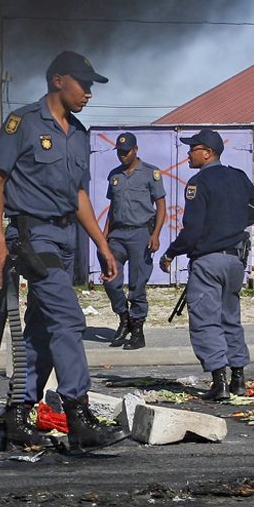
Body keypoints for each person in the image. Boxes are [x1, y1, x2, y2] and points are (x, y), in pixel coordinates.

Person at [0, 51, 125, 448]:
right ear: (58, 80)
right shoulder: (24, 122)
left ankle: (17, 413)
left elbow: (79, 195)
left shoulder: (79, 134)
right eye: (84, 84)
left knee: (42, 329)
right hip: (32, 236)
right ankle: (78, 414)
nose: (89, 93)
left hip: (65, 239)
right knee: (68, 319)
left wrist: (102, 245)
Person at [159, 129, 254, 401]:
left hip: (208, 262)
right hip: (234, 262)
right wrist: (232, 224)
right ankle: (238, 379)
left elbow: (192, 231)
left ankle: (219, 383)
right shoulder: (238, 177)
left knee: (206, 321)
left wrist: (170, 253)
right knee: (230, 319)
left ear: (207, 153)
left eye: (193, 149)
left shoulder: (198, 183)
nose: (188, 153)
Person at [102, 131, 167, 349]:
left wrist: (155, 234)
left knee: (137, 284)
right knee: (110, 280)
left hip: (141, 234)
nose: (122, 155)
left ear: (135, 150)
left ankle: (137, 330)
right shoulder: (114, 175)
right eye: (119, 152)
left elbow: (161, 206)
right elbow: (112, 208)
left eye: (126, 151)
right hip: (117, 235)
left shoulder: (150, 173)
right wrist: (104, 237)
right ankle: (124, 318)